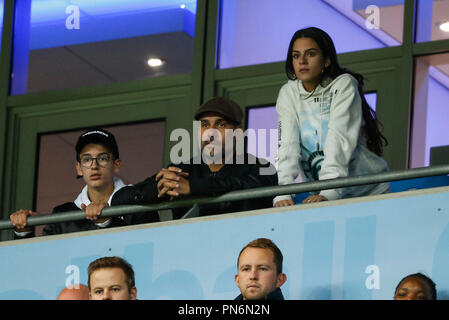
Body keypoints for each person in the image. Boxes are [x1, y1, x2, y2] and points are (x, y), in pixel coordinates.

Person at [273, 27, 390, 207]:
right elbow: (287, 145)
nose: (302, 61)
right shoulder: (288, 93)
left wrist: (330, 189)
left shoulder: (343, 85)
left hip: (367, 191)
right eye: (296, 56)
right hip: (324, 194)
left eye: (310, 54)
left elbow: (339, 138)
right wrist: (283, 191)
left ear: (326, 60)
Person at [112, 97, 278, 219]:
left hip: (243, 256)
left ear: (238, 132)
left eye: (220, 124)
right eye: (204, 125)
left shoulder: (259, 167)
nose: (210, 133)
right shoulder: (183, 170)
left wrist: (193, 187)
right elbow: (121, 197)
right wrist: (158, 189)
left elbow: (242, 185)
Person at [9, 128, 157, 238]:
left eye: (103, 158)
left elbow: (146, 251)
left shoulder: (139, 205)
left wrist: (106, 222)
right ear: (79, 168)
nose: (94, 166)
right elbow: (47, 262)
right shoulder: (63, 214)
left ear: (117, 165)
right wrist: (23, 232)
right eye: (86, 159)